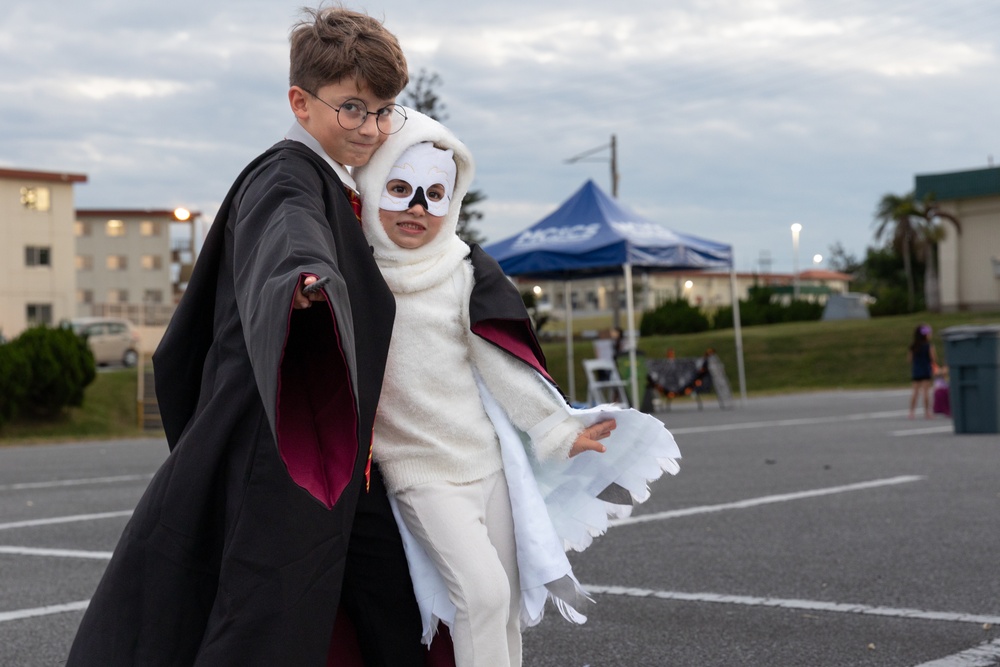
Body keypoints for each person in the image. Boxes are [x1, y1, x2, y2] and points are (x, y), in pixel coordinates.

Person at [67, 8, 435, 666]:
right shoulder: (286, 176)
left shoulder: (350, 184)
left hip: (340, 452)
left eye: (385, 111)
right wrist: (308, 285)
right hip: (279, 447)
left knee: (398, 603)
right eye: (353, 107)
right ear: (301, 102)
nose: (372, 127)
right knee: (265, 619)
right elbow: (289, 240)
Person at [353, 109, 681, 667]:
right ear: (371, 184)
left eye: (435, 194)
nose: (416, 208)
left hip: (487, 465)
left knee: (505, 601)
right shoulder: (355, 276)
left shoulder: (460, 271)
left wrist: (557, 429)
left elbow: (499, 361)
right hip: (420, 474)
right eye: (400, 188)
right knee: (481, 595)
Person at [908, 323, 938, 419]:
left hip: (916, 370)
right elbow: (933, 358)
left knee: (915, 392)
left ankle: (911, 412)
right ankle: (927, 412)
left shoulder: (913, 346)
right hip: (926, 369)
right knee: (926, 392)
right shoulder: (929, 345)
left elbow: (909, 359)